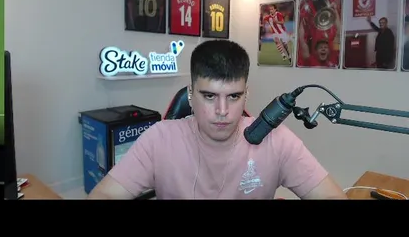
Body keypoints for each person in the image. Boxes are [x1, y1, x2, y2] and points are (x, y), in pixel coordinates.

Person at [88, 40, 344, 200]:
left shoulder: (277, 140)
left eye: (234, 96)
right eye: (209, 96)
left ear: (246, 94)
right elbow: (105, 194)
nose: (222, 111)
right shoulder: (159, 138)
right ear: (190, 94)